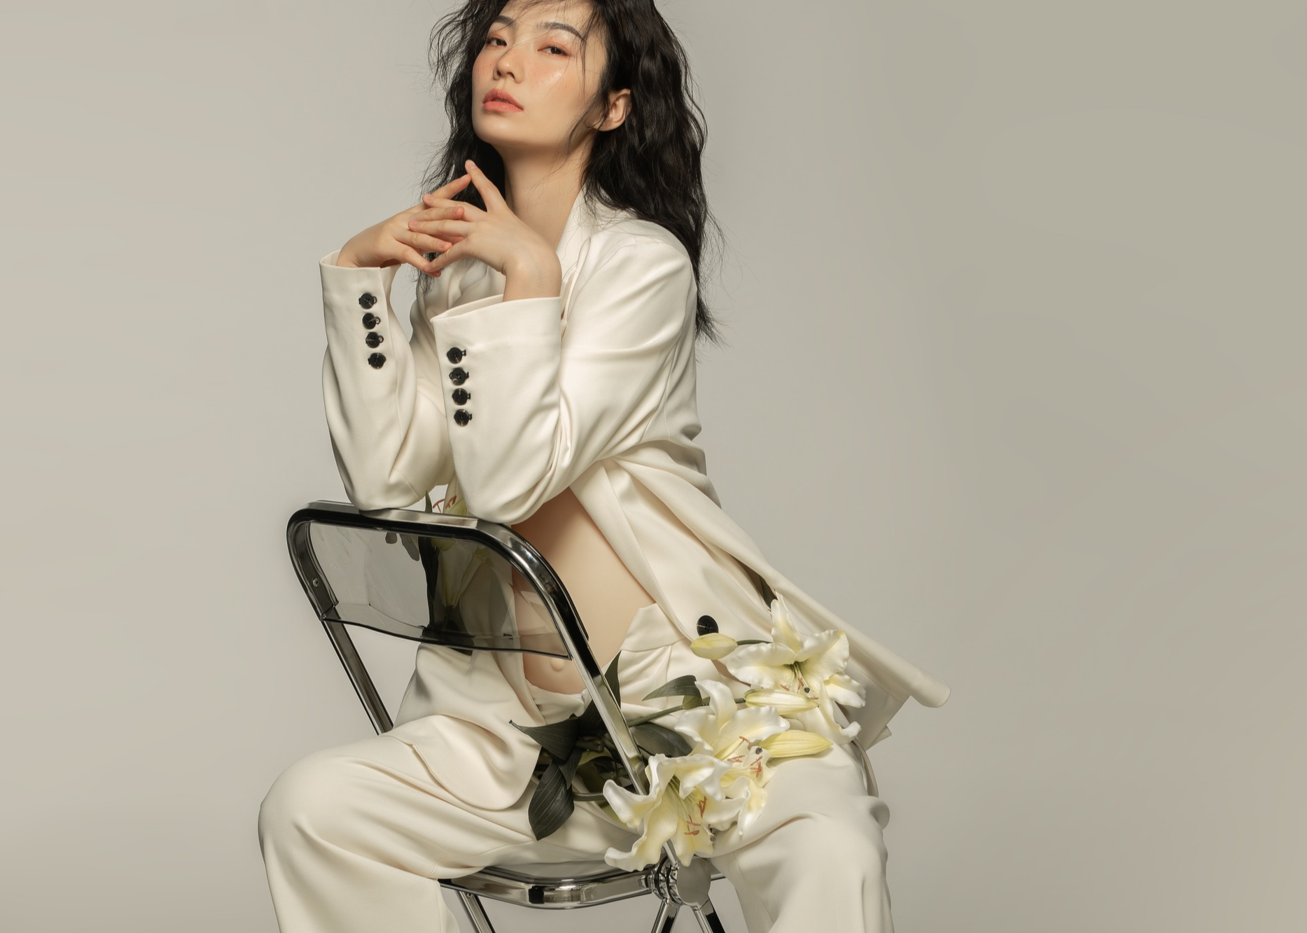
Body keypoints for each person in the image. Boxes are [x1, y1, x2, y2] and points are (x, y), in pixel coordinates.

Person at [258, 2, 950, 931]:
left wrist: (532, 277)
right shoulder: (459, 274)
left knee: (830, 848)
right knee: (312, 809)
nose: (508, 61)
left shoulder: (640, 266)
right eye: (497, 39)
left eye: (553, 47)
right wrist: (355, 276)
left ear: (613, 105)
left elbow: (512, 482)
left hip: (699, 704)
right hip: (508, 732)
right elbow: (385, 481)